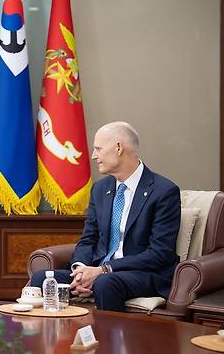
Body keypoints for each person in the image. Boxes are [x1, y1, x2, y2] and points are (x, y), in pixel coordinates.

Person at [29, 122, 181, 312]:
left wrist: (103, 270)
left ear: (118, 148)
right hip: (98, 271)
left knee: (105, 283)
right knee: (41, 278)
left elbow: (160, 253)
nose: (94, 156)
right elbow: (88, 238)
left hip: (141, 273)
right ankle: (54, 339)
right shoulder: (101, 189)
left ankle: (107, 340)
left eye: (98, 149)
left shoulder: (163, 191)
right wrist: (80, 270)